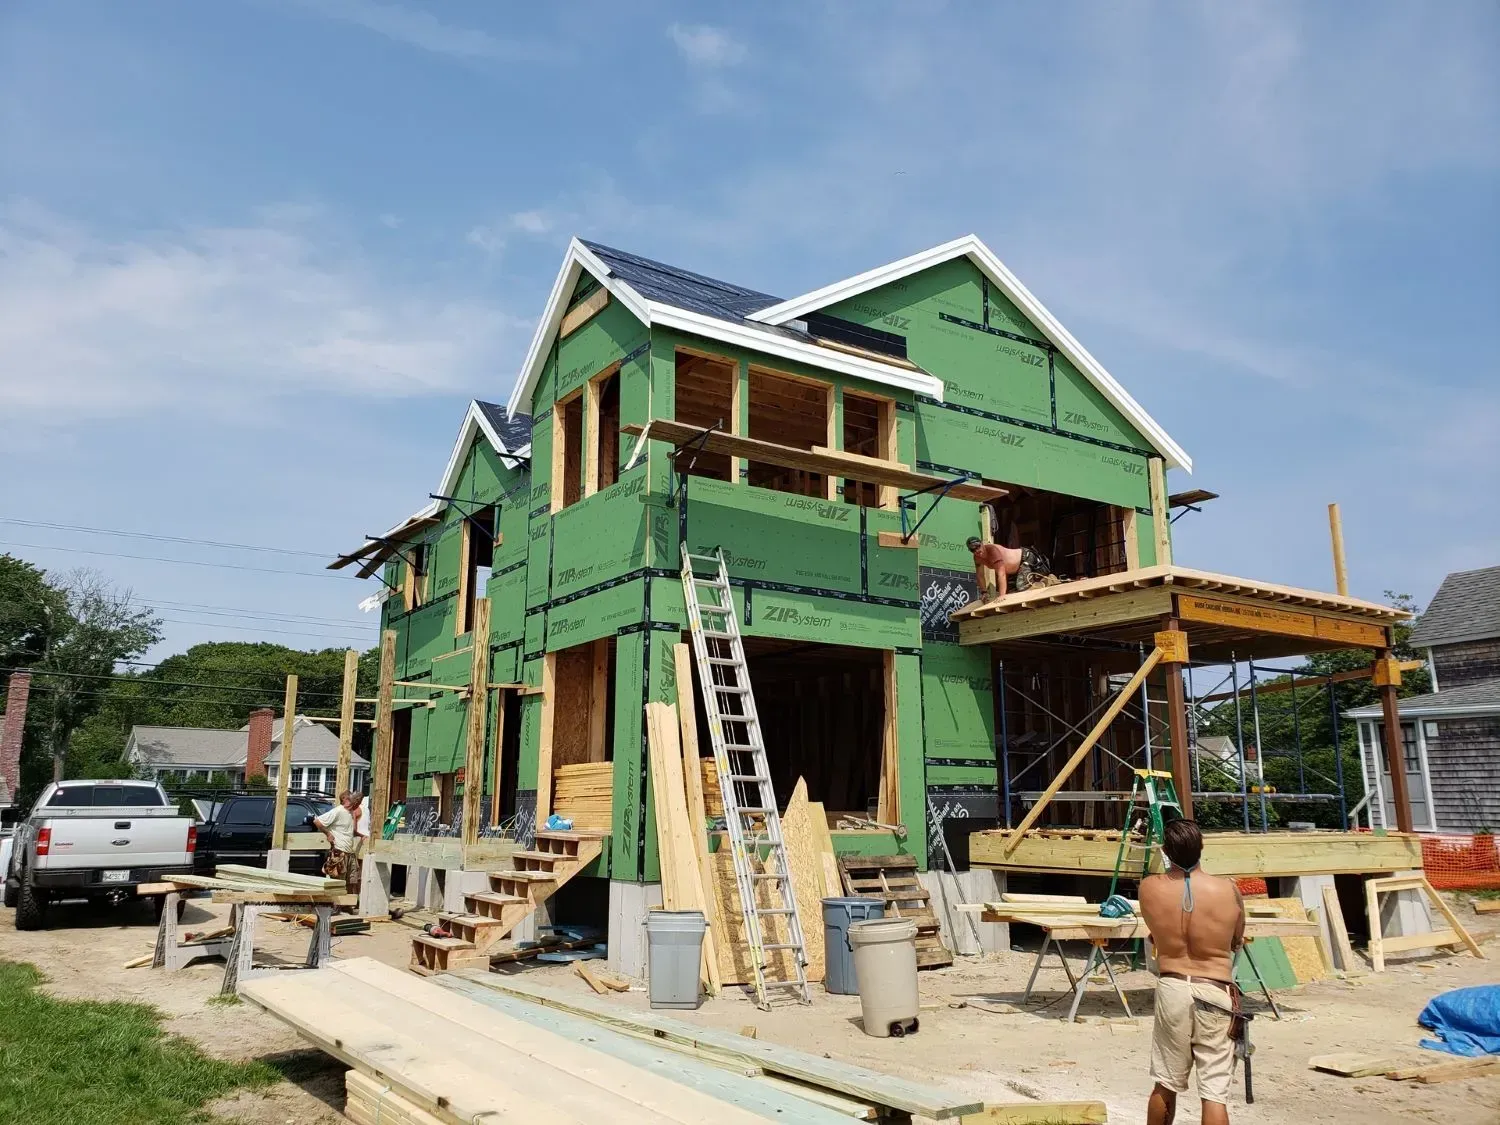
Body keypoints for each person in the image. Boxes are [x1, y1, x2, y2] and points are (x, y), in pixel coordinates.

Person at [1139, 818, 1246, 1125]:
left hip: (1173, 987)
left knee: (1166, 1082)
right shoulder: (1227, 890)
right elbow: (1237, 940)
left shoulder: (1149, 888)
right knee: (1213, 1092)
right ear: (1201, 847)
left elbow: (1155, 932)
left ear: (1166, 851)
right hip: (1215, 988)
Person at [965, 536, 1059, 602]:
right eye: (973, 550)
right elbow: (980, 575)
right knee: (1012, 592)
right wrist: (984, 592)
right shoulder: (977, 558)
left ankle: (1048, 581)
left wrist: (1002, 596)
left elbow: (1001, 573)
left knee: (1022, 588)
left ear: (982, 544)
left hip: (1025, 558)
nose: (977, 551)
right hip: (1014, 570)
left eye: (978, 547)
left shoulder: (993, 551)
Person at [313, 790, 361, 896]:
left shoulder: (351, 813)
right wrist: (328, 834)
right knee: (338, 881)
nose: (358, 803)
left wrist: (361, 836)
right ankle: (336, 906)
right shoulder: (338, 811)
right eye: (357, 800)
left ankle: (346, 905)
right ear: (347, 800)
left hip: (350, 852)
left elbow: (350, 830)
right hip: (339, 852)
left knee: (351, 881)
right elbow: (317, 821)